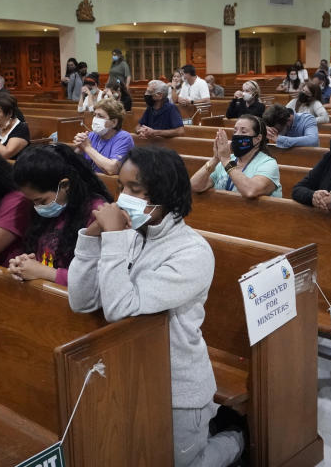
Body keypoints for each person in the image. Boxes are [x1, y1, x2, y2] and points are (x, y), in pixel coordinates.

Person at [68, 146, 244, 465]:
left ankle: (234, 438)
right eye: (120, 187)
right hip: (131, 376)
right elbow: (81, 301)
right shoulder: (134, 235)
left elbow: (121, 307)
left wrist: (113, 238)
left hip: (178, 388)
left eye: (134, 190)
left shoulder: (192, 252)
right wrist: (91, 240)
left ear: (164, 194)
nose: (123, 198)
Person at [6, 144, 111, 286]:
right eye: (33, 202)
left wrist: (45, 273)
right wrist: (25, 264)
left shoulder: (97, 213)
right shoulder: (53, 208)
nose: (37, 207)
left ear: (65, 185)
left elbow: (98, 282)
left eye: (41, 200)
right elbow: (44, 254)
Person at [190, 115, 281, 198]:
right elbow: (195, 186)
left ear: (257, 139)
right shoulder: (228, 160)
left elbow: (250, 191)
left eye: (243, 131)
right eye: (235, 131)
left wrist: (226, 161)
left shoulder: (268, 164)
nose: (237, 134)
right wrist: (215, 159)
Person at [74, 98, 135, 174]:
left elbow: (112, 169)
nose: (95, 119)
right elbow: (73, 163)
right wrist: (80, 148)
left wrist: (87, 147)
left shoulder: (124, 138)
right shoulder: (92, 135)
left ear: (114, 122)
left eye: (100, 116)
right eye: (95, 115)